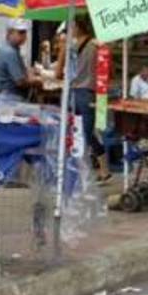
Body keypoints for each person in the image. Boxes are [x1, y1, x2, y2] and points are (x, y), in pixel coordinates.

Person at [54, 16, 109, 182]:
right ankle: (103, 169)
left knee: (73, 132)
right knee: (88, 133)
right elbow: (107, 71)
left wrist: (63, 50)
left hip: (74, 93)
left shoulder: (69, 47)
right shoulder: (98, 45)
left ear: (77, 27)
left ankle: (78, 172)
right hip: (92, 93)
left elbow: (58, 73)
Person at [0, 19, 41, 100]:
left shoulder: (10, 48)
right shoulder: (10, 52)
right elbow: (20, 82)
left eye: (25, 32)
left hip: (7, 96)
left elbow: (19, 71)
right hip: (10, 97)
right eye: (21, 32)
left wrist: (30, 71)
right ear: (9, 33)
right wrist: (38, 82)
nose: (24, 36)